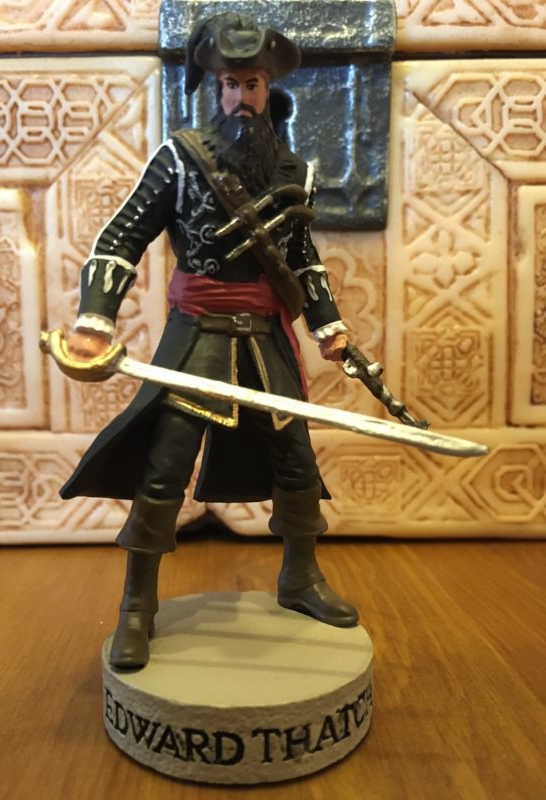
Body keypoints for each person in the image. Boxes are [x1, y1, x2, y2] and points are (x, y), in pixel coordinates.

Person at [61, 12, 358, 669]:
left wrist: (328, 325)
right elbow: (122, 236)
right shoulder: (181, 158)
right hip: (197, 334)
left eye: (251, 84)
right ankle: (137, 604)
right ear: (214, 88)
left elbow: (300, 259)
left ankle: (300, 578)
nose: (240, 97)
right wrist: (94, 319)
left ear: (267, 88)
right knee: (166, 464)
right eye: (229, 84)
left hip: (266, 337)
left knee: (295, 459)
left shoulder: (294, 169)